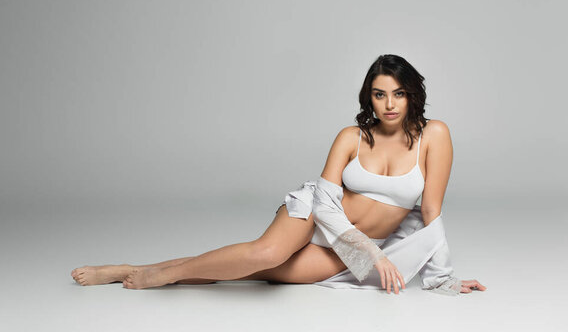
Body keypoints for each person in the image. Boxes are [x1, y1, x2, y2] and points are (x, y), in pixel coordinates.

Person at [71, 54, 486, 295]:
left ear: (412, 94)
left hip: (351, 249)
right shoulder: (351, 136)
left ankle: (133, 267)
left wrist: (443, 278)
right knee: (266, 253)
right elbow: (326, 201)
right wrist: (372, 255)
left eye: (398, 93)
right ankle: (156, 274)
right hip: (315, 217)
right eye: (380, 94)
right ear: (370, 98)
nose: (390, 104)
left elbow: (430, 210)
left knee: (259, 274)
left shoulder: (435, 134)